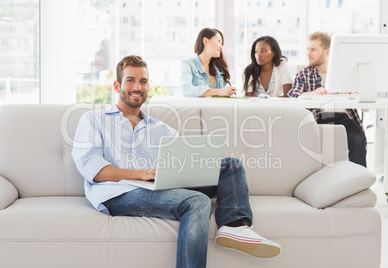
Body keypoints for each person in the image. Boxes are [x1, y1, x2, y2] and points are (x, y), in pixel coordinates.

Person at [72, 55, 281, 268]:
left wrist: (192, 166)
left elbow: (179, 163)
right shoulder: (94, 119)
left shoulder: (162, 129)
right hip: (117, 194)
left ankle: (234, 225)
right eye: (130, 80)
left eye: (143, 81)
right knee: (197, 201)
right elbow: (92, 167)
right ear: (117, 86)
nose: (138, 87)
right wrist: (139, 173)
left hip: (157, 188)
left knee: (231, 166)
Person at [288, 32, 367, 167]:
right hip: (316, 118)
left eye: (313, 50)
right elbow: (293, 95)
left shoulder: (345, 73)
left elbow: (364, 98)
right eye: (308, 49)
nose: (308, 53)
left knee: (358, 138)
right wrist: (311, 94)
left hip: (344, 117)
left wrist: (353, 94)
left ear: (327, 52)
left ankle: (358, 180)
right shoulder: (304, 74)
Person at [180, 28, 237, 97]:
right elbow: (186, 90)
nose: (221, 47)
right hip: (199, 107)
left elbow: (222, 97)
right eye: (219, 41)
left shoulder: (219, 69)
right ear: (205, 41)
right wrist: (219, 91)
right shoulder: (187, 64)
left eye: (221, 44)